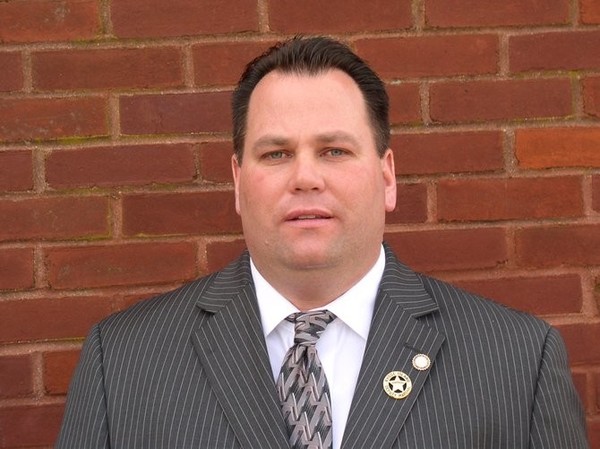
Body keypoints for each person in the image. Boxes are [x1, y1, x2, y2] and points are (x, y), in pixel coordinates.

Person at [55, 36, 588, 449]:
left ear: (387, 177)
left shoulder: (518, 360)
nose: (306, 177)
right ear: (238, 182)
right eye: (276, 153)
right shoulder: (123, 362)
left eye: (334, 150)